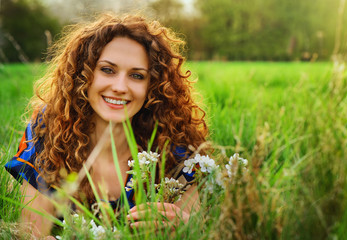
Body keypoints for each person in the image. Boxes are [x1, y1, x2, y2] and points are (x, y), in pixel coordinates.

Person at [4, 13, 208, 238]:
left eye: (137, 76)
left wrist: (185, 224)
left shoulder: (177, 148)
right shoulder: (48, 132)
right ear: (84, 75)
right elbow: (32, 232)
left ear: (154, 85)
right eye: (107, 70)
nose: (120, 87)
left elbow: (198, 229)